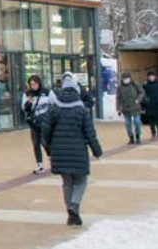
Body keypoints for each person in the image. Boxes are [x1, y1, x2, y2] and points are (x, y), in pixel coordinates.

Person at [42, 73, 103, 226]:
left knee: (67, 182)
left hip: (59, 151)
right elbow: (90, 133)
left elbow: (45, 130)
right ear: (76, 89)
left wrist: (49, 148)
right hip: (78, 151)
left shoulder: (54, 108)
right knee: (81, 180)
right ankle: (74, 206)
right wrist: (97, 151)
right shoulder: (81, 109)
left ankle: (71, 214)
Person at [20, 75, 50, 174]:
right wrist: (29, 103)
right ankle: (40, 165)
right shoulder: (27, 94)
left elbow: (54, 104)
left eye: (35, 84)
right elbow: (24, 109)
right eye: (31, 84)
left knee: (45, 142)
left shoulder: (47, 92)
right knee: (36, 143)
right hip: (34, 122)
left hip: (45, 121)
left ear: (39, 83)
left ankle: (52, 159)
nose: (33, 86)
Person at [116, 71, 145, 145]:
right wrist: (118, 108)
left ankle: (138, 136)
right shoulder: (119, 87)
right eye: (124, 78)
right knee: (127, 124)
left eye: (127, 78)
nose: (125, 80)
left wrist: (138, 99)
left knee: (137, 122)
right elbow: (118, 98)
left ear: (130, 78)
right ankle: (131, 138)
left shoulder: (135, 84)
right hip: (126, 108)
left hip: (135, 107)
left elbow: (142, 92)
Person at [144, 70, 158, 140]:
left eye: (152, 76)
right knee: (151, 121)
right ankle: (153, 133)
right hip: (149, 105)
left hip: (157, 105)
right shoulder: (145, 85)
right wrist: (145, 102)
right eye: (150, 76)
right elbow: (143, 94)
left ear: (155, 77)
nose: (151, 77)